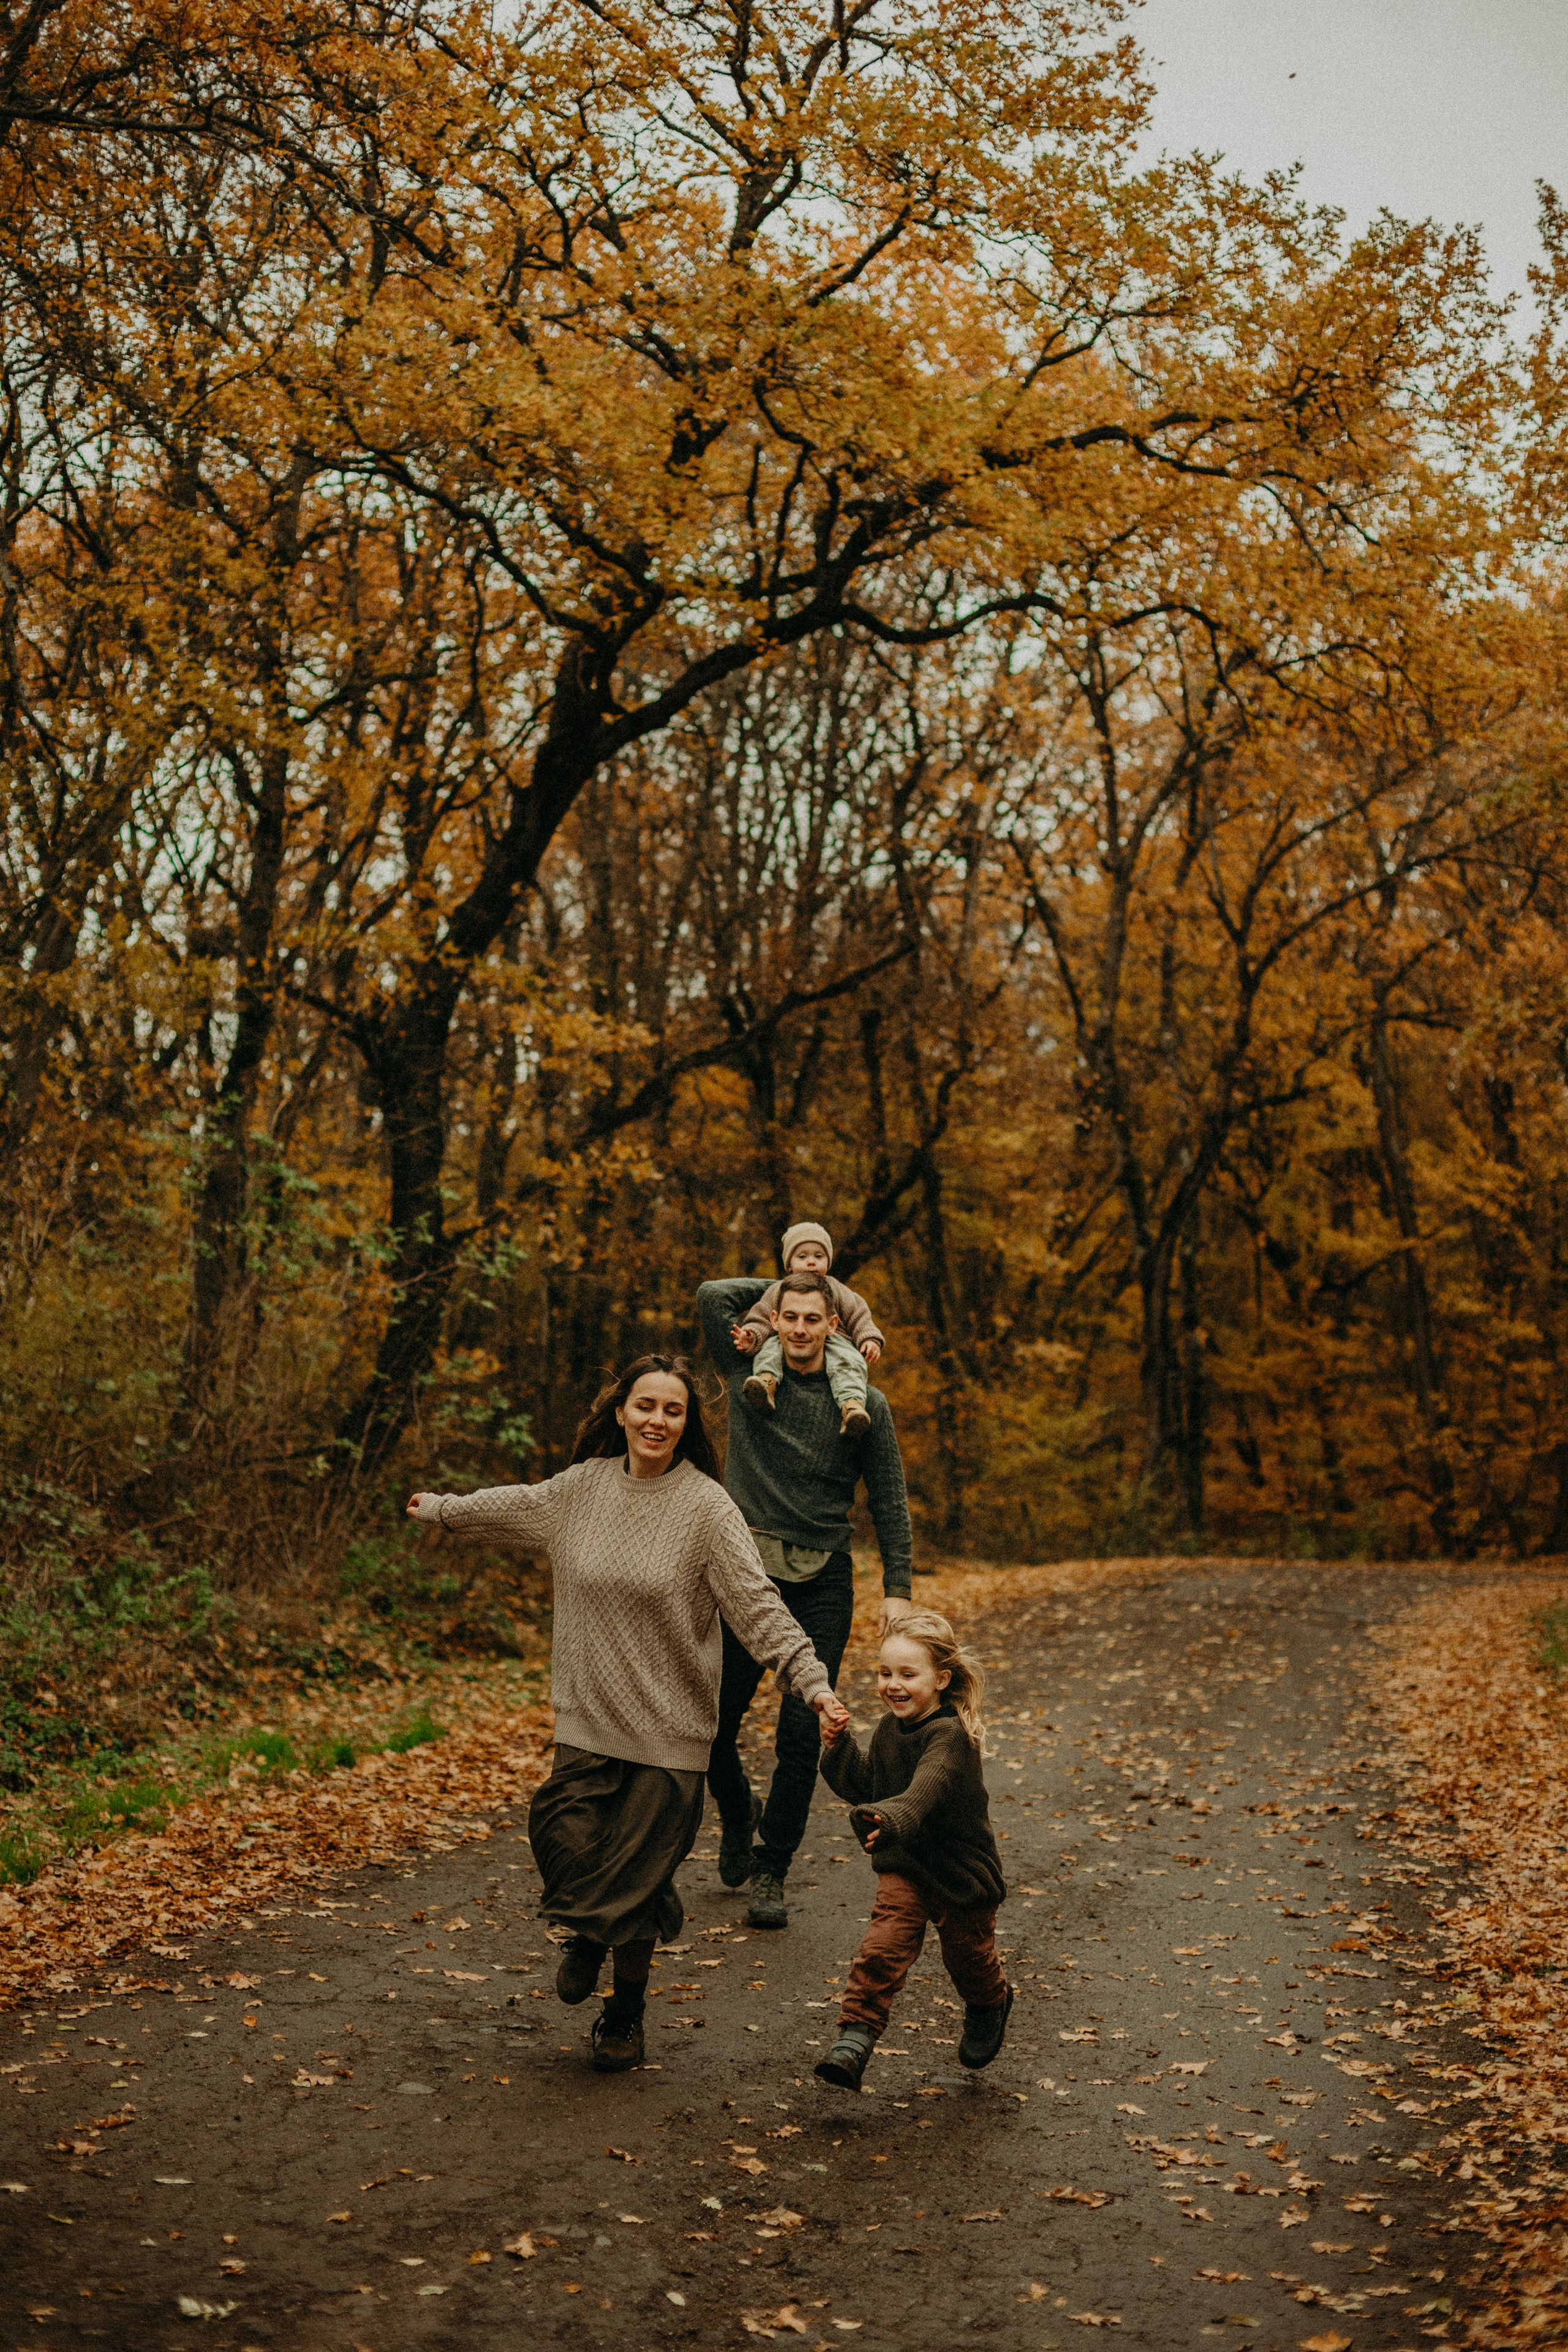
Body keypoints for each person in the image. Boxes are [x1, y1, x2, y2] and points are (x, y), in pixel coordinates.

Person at [407, 1354, 848, 2075]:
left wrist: (812, 1681)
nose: (656, 1420)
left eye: (672, 1411)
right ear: (620, 1412)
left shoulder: (708, 1509)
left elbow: (756, 1605)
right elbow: (512, 1504)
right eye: (646, 1406)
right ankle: (589, 1928)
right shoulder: (578, 1490)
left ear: (685, 1425)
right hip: (586, 1720)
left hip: (671, 1731)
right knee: (563, 1837)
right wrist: (444, 1509)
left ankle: (625, 2013)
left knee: (639, 1878)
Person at [698, 1265, 916, 1932]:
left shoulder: (861, 1404)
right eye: (788, 1316)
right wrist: (801, 1274)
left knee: (801, 1736)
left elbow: (888, 1495)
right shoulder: (747, 1380)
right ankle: (738, 1811)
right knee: (709, 1723)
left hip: (823, 1580)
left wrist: (898, 1589)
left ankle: (771, 1866)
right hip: (743, 1579)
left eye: (812, 1318)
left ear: (832, 1326)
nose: (797, 1329)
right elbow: (714, 1296)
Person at [813, 1609, 1011, 2092]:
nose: (893, 1685)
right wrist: (839, 1748)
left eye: (908, 1674)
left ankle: (991, 2001)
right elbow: (866, 1784)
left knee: (969, 1958)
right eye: (885, 1674)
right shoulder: (887, 1729)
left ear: (942, 1679)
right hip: (907, 1868)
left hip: (961, 1874)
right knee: (881, 1949)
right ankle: (854, 2039)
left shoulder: (950, 1736)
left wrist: (891, 1819)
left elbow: (926, 1790)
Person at [731, 1221, 884, 1436]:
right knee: (770, 1349)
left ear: (828, 1263)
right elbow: (762, 1316)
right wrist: (752, 1336)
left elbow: (858, 1314)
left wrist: (868, 1339)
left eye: (818, 1257)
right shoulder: (779, 1291)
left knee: (848, 1362)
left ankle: (852, 1406)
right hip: (786, 1341)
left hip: (835, 1340)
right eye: (802, 1257)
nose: (811, 1262)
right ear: (789, 1265)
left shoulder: (836, 1289)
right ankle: (766, 1384)